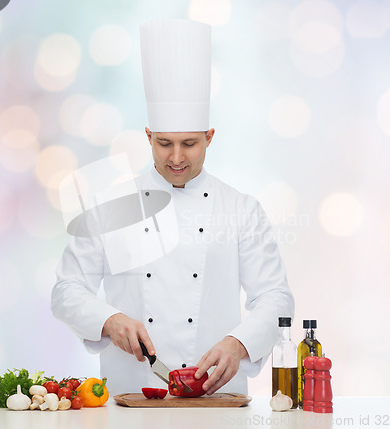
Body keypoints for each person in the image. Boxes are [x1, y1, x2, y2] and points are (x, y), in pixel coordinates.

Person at [52, 19, 294, 396]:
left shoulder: (241, 209)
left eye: (189, 144)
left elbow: (276, 298)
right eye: (164, 143)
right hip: (130, 395)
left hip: (219, 399)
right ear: (148, 136)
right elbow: (67, 290)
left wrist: (240, 343)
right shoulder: (113, 205)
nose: (176, 157)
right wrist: (109, 320)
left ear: (209, 138)